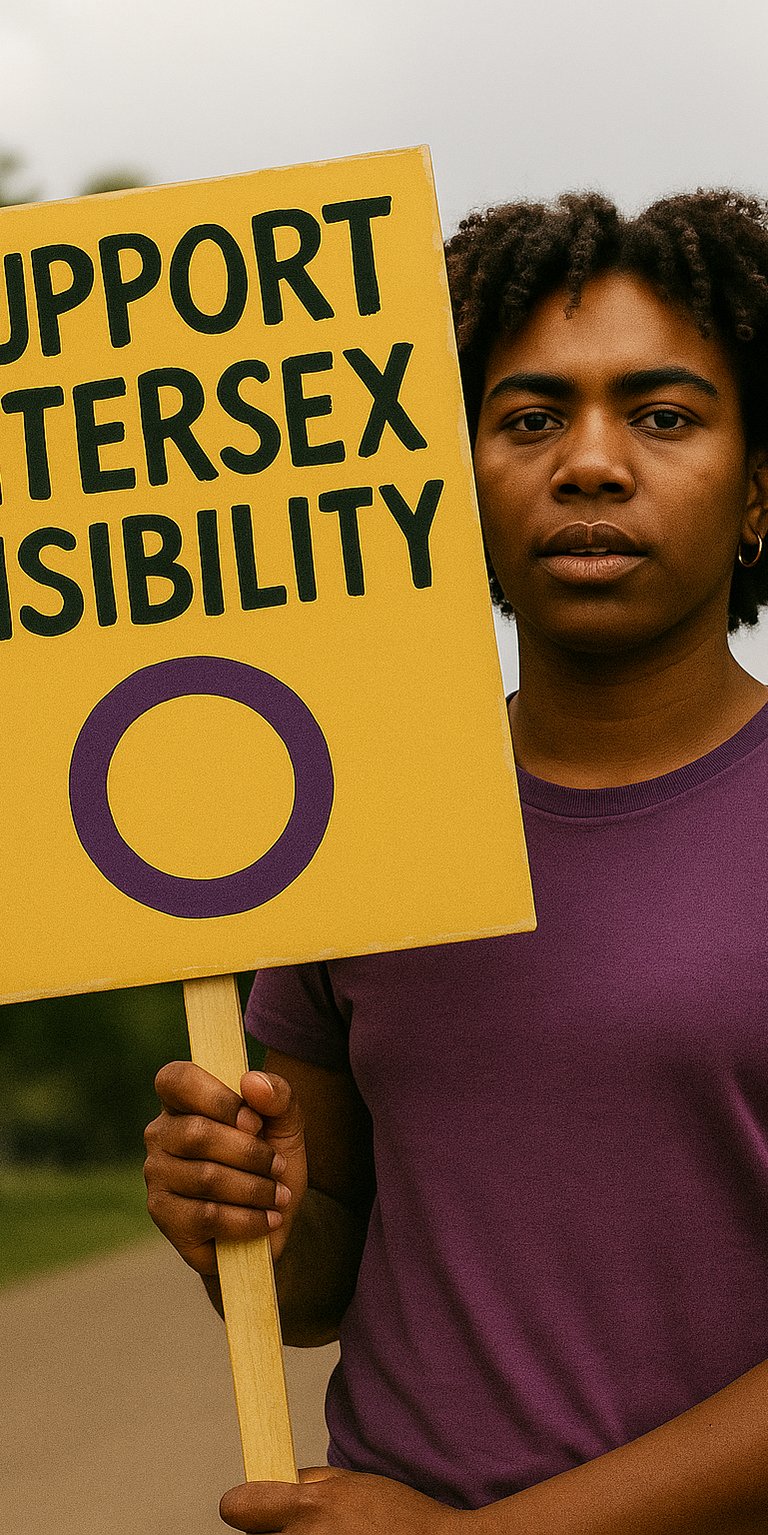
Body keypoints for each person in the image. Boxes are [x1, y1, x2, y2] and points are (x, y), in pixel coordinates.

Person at [144, 189, 768, 1534]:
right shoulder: (351, 820)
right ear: (450, 481)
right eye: (529, 419)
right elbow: (315, 1289)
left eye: (662, 416)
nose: (591, 463)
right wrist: (235, 1217)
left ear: (759, 486)